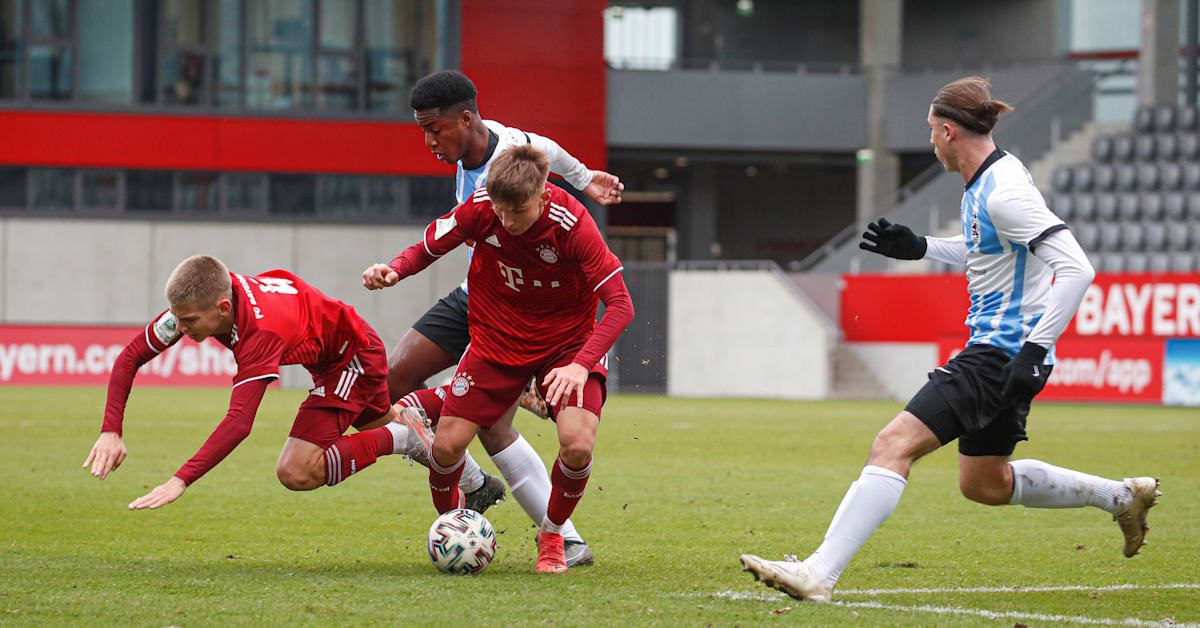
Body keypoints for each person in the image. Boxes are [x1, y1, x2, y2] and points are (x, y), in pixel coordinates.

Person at [740, 76, 1161, 602]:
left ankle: (819, 573)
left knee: (892, 445)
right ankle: (1118, 497)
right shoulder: (989, 179)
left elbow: (1077, 269)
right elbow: (989, 250)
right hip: (1002, 354)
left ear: (946, 131)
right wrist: (921, 248)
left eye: (930, 133)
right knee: (984, 484)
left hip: (999, 354)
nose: (931, 142)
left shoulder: (1004, 190)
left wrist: (1034, 349)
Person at [386, 69, 623, 565]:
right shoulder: (488, 194)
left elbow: (620, 302)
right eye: (423, 130)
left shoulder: (566, 219)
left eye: (434, 130)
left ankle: (560, 535)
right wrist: (393, 270)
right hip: (490, 303)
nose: (429, 141)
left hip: (555, 331)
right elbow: (436, 238)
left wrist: (579, 363)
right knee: (395, 389)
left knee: (548, 437)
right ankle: (464, 498)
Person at [82, 255, 504, 511]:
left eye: (190, 321)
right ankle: (472, 455)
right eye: (179, 318)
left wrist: (181, 479)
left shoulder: (259, 333)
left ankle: (404, 436)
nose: (182, 328)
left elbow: (238, 423)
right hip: (336, 349)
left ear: (223, 307)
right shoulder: (205, 303)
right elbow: (130, 357)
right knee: (378, 421)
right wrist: (110, 430)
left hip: (350, 357)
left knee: (297, 470)